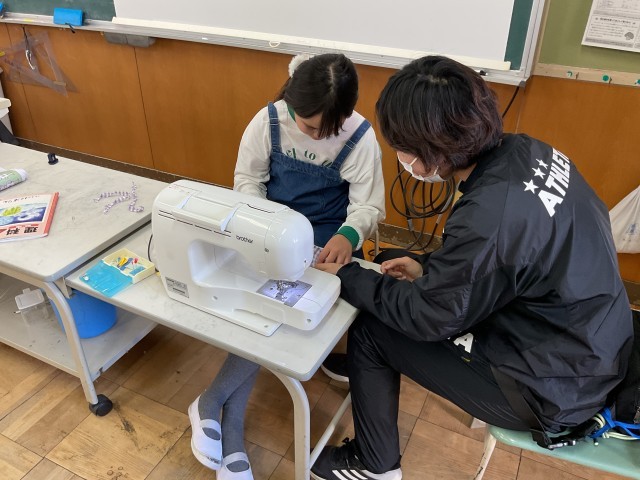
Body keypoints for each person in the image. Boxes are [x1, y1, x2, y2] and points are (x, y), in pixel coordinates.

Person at [311, 55, 634, 480]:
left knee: (373, 330)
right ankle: (365, 370)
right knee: (391, 262)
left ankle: (375, 465)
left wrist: (347, 275)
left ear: (433, 152)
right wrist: (427, 267)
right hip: (590, 338)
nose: (401, 159)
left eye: (403, 150)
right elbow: (509, 258)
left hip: (551, 386)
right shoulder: (528, 150)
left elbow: (430, 318)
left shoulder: (488, 216)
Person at [188, 53, 385, 480]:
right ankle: (225, 422)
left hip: (326, 242)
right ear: (293, 102)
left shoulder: (359, 136)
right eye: (308, 125)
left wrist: (348, 236)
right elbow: (248, 181)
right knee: (261, 313)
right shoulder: (269, 121)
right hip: (268, 231)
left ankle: (213, 403)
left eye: (325, 130)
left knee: (275, 314)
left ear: (345, 115)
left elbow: (367, 205)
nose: (314, 135)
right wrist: (261, 228)